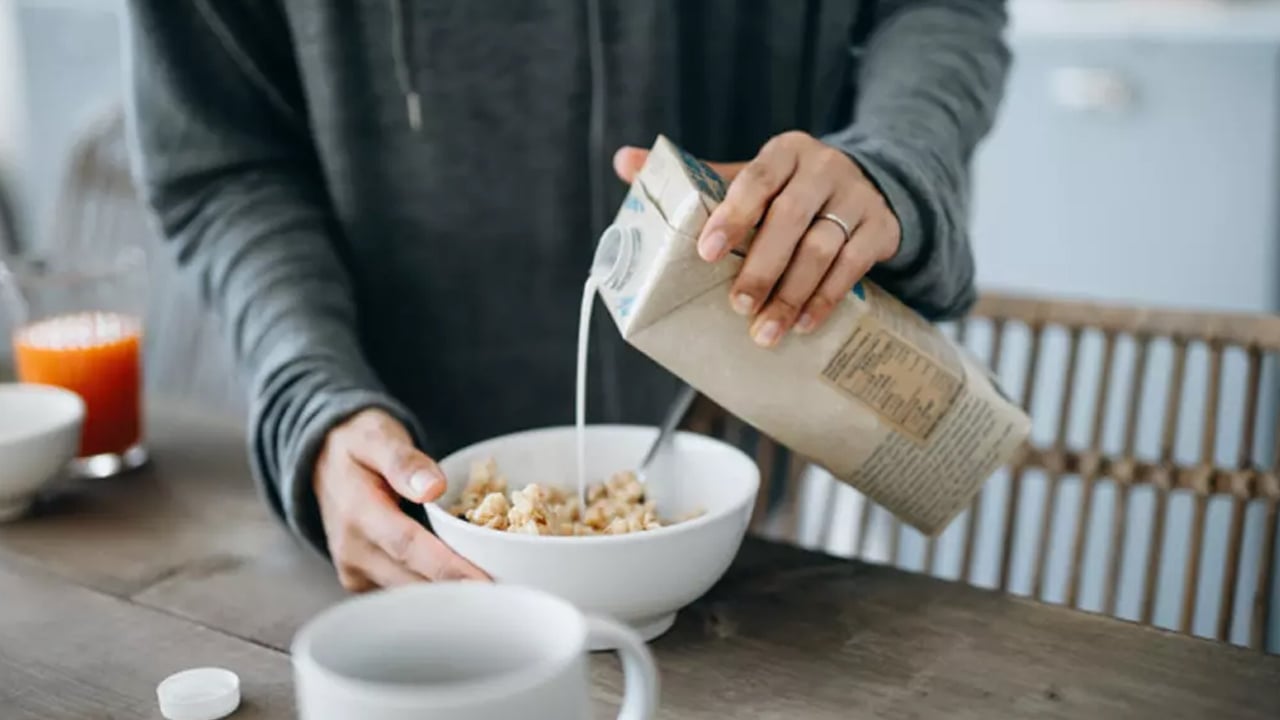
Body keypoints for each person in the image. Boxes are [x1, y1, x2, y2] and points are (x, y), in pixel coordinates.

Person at [124, 1, 1009, 591]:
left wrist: (892, 160)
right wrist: (311, 397)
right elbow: (224, 157)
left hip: (741, 482)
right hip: (406, 518)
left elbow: (935, 11)